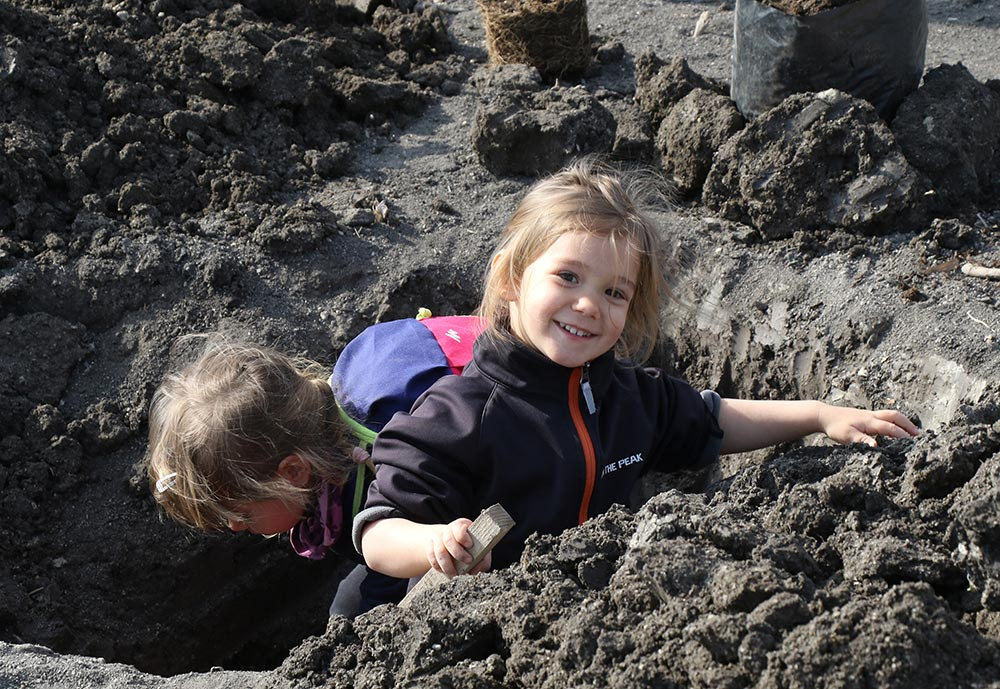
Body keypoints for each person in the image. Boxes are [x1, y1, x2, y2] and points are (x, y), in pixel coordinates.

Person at [355, 159, 920, 580]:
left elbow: (711, 421)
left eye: (615, 292)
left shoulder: (625, 394)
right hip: (473, 626)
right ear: (510, 279)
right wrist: (433, 543)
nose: (588, 305)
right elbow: (378, 529)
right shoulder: (461, 411)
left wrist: (820, 415)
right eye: (568, 277)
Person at [146, 337, 407, 616]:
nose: (234, 526)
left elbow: (393, 570)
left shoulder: (366, 493)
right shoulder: (316, 420)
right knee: (344, 602)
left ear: (293, 472)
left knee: (355, 608)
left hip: (426, 520)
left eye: (243, 513)